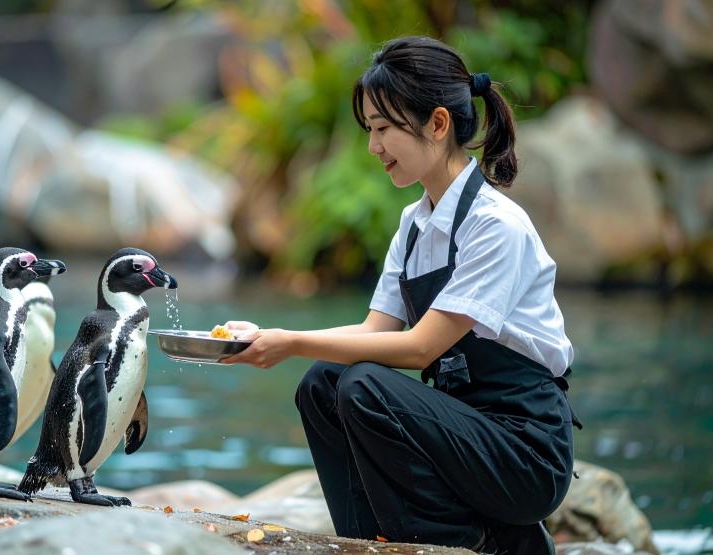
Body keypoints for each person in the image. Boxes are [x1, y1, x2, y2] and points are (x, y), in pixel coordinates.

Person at [220, 36, 581, 555]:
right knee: (324, 383)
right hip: (464, 433)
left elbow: (419, 349)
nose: (373, 146)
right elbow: (374, 331)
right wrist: (269, 338)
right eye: (370, 130)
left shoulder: (497, 227)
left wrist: (292, 340)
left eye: (384, 128)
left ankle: (470, 542)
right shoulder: (414, 225)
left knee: (364, 385)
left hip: (524, 453)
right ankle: (371, 543)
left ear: (437, 124)